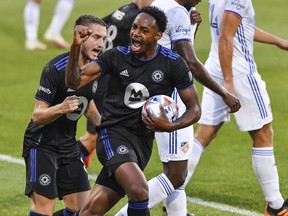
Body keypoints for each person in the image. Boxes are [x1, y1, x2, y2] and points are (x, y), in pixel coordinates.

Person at [66, 6, 201, 216]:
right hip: (113, 135)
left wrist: (172, 126)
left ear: (158, 36)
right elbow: (75, 81)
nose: (135, 33)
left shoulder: (172, 64)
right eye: (134, 27)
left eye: (143, 30)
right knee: (139, 190)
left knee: (91, 211)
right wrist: (76, 48)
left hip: (142, 145)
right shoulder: (116, 57)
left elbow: (195, 109)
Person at [116, 0, 240, 215]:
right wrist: (224, 93)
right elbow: (189, 61)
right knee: (175, 175)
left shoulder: (164, 6)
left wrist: (192, 27)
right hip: (170, 100)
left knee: (177, 173)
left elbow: (172, 47)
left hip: (151, 90)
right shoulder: (175, 12)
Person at [186, 0, 288, 215]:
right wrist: (229, 84)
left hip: (214, 68)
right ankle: (276, 206)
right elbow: (226, 36)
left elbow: (240, 27)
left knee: (204, 134)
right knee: (263, 133)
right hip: (239, 73)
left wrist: (278, 41)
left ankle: (173, 194)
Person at [22, 14, 107, 216]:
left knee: (84, 211)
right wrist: (61, 108)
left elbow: (87, 103)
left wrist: (105, 128)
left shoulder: (95, 69)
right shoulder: (55, 69)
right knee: (44, 210)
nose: (101, 44)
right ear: (80, 36)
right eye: (95, 37)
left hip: (68, 145)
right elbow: (37, 115)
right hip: (41, 144)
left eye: (103, 39)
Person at [77, 0, 154, 168]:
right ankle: (65, 166)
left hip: (101, 75)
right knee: (95, 135)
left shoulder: (124, 10)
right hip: (107, 82)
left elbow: (96, 27)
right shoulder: (138, 19)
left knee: (95, 134)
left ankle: (75, 162)